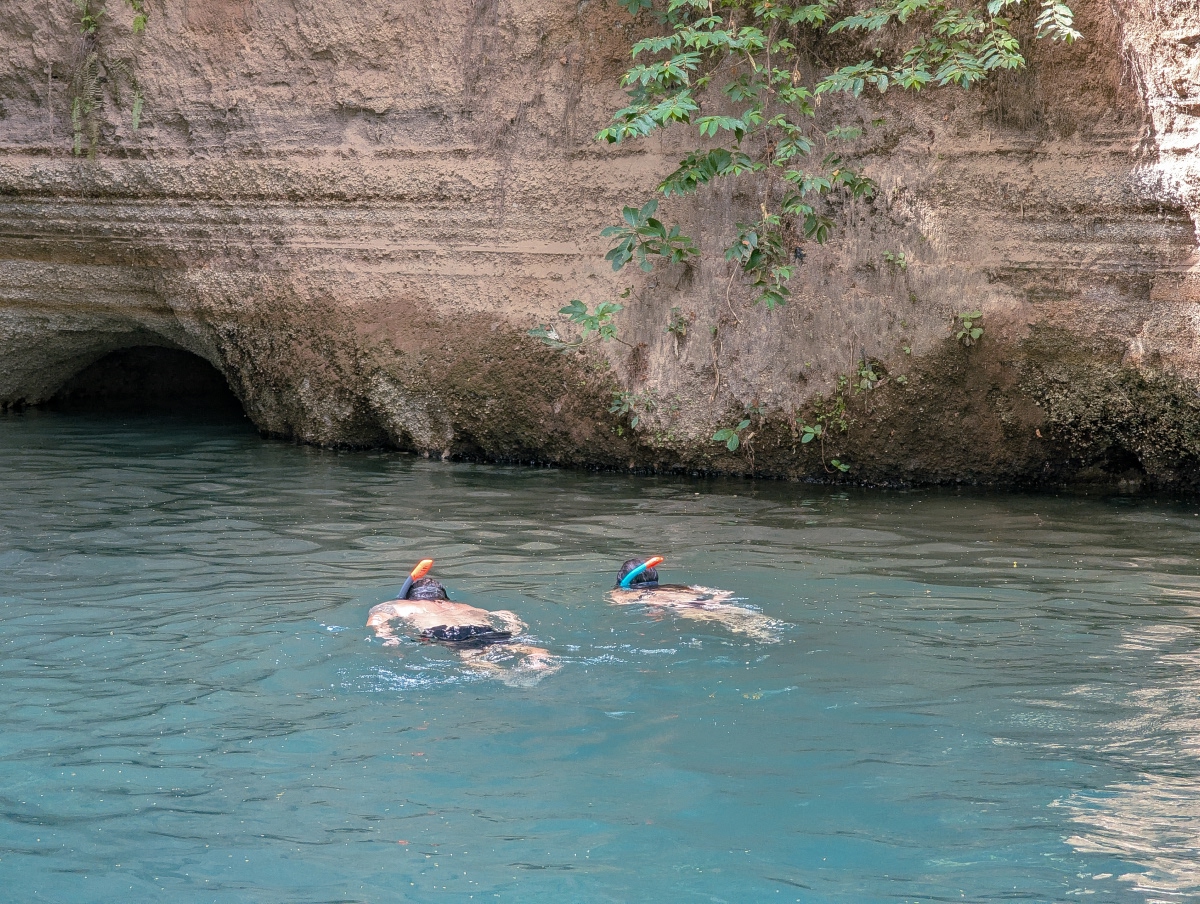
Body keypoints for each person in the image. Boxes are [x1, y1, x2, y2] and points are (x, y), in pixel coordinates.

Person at [367, 559, 558, 679]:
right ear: (444, 596)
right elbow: (505, 614)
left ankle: (507, 676)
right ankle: (538, 657)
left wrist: (388, 637)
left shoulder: (405, 606)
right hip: (482, 628)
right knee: (515, 646)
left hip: (448, 632)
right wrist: (514, 626)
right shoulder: (463, 607)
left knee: (474, 661)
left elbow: (377, 618)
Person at [608, 555, 783, 642]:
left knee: (742, 627)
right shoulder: (676, 587)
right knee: (744, 618)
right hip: (707, 603)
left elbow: (618, 603)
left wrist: (619, 589)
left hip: (686, 610)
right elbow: (707, 590)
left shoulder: (626, 593)